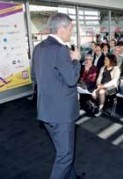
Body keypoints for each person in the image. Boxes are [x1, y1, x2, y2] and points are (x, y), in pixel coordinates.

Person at [31, 13, 82, 179]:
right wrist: (76, 61)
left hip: (46, 111)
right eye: (70, 29)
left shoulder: (38, 48)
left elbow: (35, 76)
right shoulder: (61, 50)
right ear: (61, 29)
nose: (71, 33)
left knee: (63, 151)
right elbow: (72, 79)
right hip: (61, 114)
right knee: (65, 156)